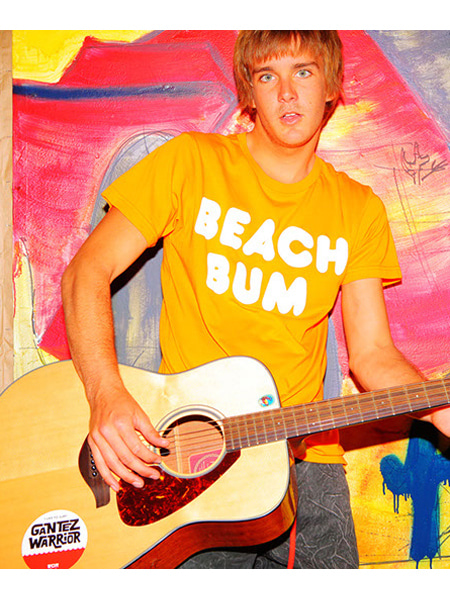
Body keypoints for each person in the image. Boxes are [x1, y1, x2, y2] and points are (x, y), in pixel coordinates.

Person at [61, 30, 450, 569]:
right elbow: (86, 270)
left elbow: (372, 355)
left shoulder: (359, 209)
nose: (287, 92)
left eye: (304, 72)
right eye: (268, 75)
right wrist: (105, 393)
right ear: (249, 91)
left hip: (307, 458)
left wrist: (438, 406)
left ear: (332, 85)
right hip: (194, 455)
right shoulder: (190, 162)